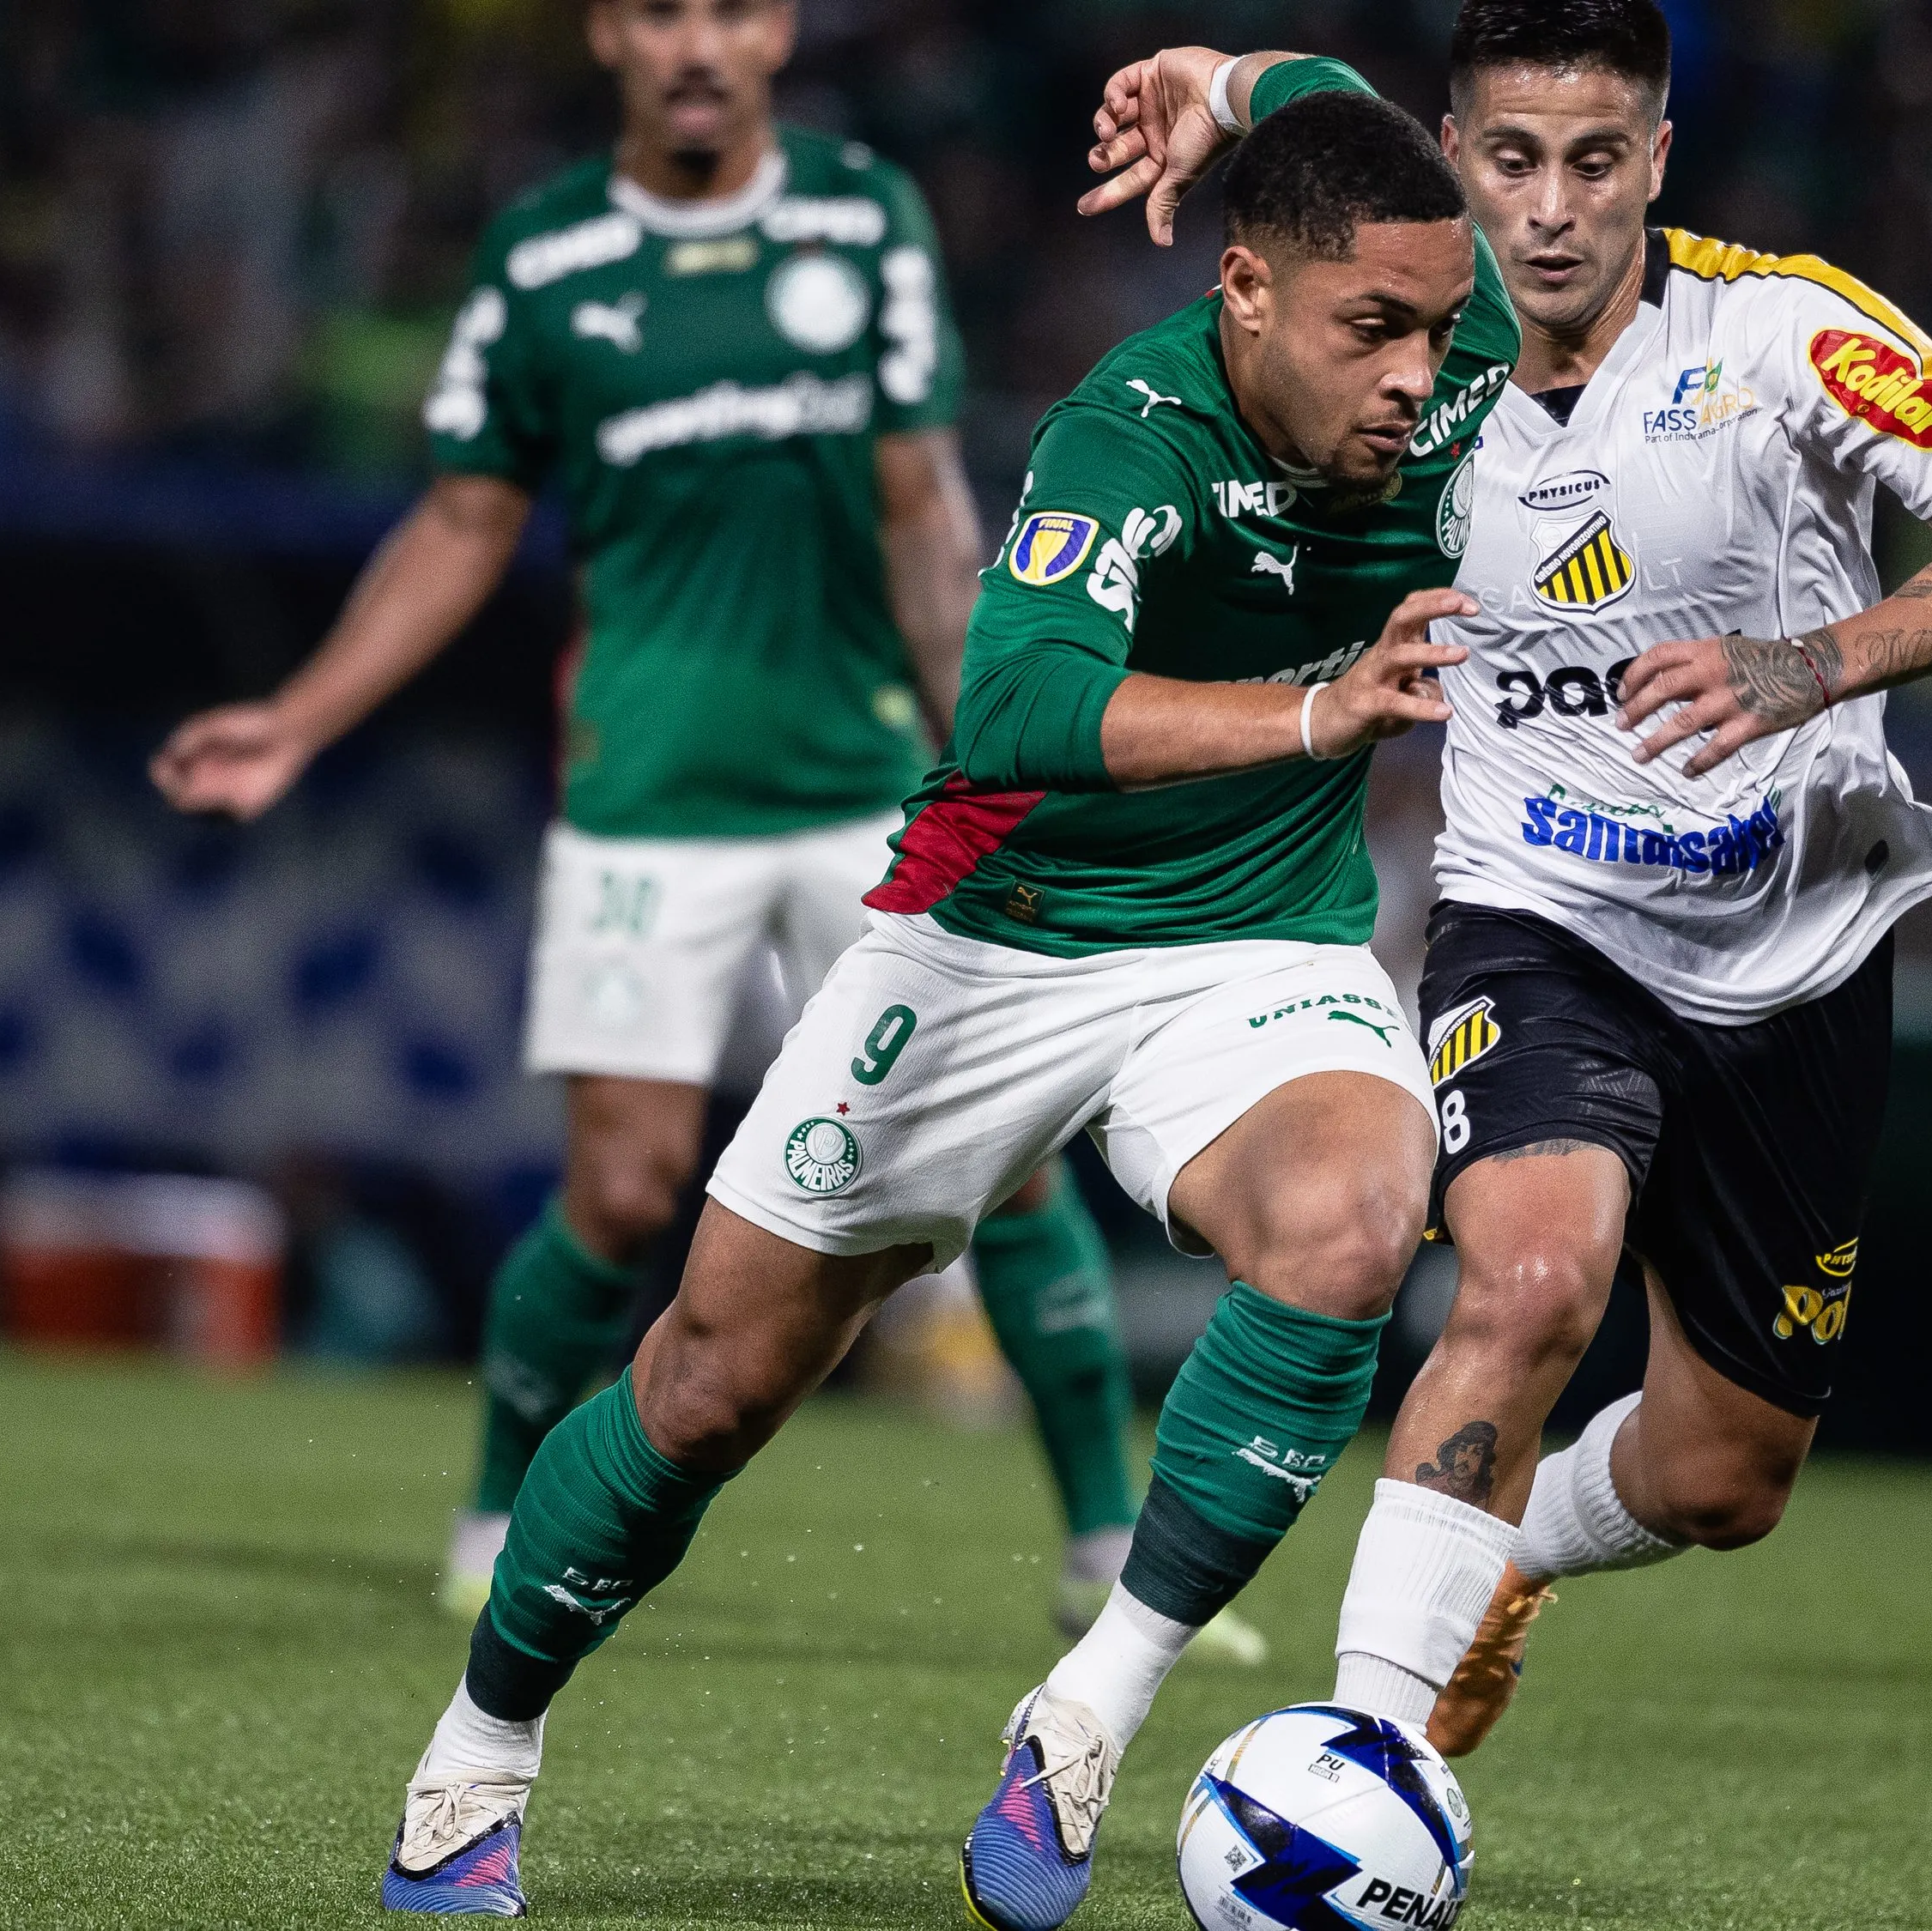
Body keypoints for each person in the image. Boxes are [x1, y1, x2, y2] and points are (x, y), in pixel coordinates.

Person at [363, 68, 1513, 1919]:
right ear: (1242, 292)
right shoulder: (1122, 435)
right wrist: (1315, 711)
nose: (1413, 370)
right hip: (994, 939)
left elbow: (1337, 112)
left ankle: (1087, 1709)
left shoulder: (1447, 381)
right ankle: (477, 1755)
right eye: (1368, 326)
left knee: (1356, 1224)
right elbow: (1017, 711)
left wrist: (1226, 81)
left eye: (1434, 328)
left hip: (1258, 946)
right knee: (711, 1383)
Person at [1063, 9, 1932, 1770]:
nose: (1549, 207)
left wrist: (1809, 662)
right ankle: (1355, 1761)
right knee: (1527, 1284)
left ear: (1657, 162)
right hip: (1536, 922)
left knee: (1722, 1477)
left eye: (1594, 161)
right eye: (1509, 161)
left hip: (1796, 949)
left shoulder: (1790, 330)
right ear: (1456, 155)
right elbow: (1319, 109)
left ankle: (1509, 1551)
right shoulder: (1411, 344)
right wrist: (1200, 86)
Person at [142, 0, 1194, 1658]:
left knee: (998, 1163)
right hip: (648, 800)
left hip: (868, 790)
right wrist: (299, 713)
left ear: (776, 31)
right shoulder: (548, 260)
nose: (696, 41)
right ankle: (493, 1514)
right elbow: (463, 518)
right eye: (658, 10)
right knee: (627, 1188)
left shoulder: (863, 216)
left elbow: (923, 503)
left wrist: (1001, 747)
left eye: (729, 8)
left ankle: (1107, 1550)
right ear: (606, 35)